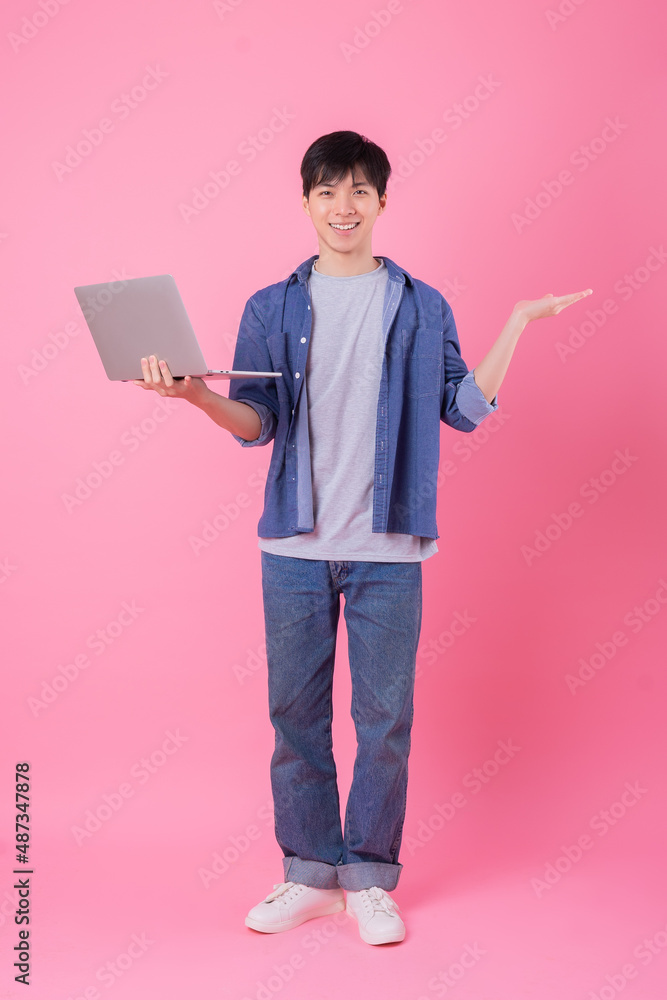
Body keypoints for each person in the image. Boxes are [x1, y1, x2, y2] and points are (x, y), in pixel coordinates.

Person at [133, 130, 592, 946]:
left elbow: (462, 409)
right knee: (294, 717)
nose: (342, 206)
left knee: (385, 719)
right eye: (325, 191)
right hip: (294, 550)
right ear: (305, 202)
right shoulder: (269, 308)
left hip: (389, 550)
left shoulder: (421, 304)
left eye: (357, 191)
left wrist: (518, 322)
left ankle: (369, 876)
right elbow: (256, 423)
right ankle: (310, 875)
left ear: (382, 201)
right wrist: (197, 398)